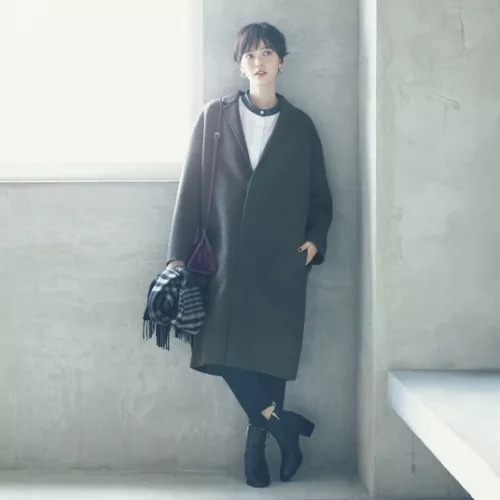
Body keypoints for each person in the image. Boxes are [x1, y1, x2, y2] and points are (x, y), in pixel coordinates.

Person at [165, 22, 333, 487]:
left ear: (282, 61)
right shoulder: (214, 118)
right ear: (240, 65)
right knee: (214, 351)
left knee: (270, 357)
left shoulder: (300, 127)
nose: (258, 62)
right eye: (249, 56)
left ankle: (257, 448)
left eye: (266, 53)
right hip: (219, 261)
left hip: (281, 262)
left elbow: (320, 195)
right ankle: (284, 428)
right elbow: (191, 187)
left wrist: (315, 240)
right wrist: (176, 256)